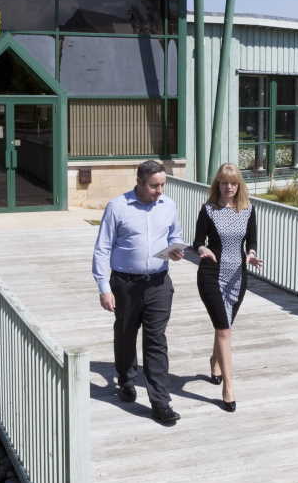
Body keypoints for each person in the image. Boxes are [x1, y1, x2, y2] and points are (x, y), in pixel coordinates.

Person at [91, 160, 186, 427]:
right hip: (125, 284)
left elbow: (174, 236)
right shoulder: (117, 207)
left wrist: (175, 250)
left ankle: (160, 402)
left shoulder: (168, 205)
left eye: (163, 185)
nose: (160, 191)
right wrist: (103, 288)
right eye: (155, 186)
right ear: (140, 183)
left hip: (158, 284)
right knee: (125, 333)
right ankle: (126, 379)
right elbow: (102, 249)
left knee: (156, 340)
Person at [192, 163, 262, 413]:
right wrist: (202, 249)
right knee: (224, 329)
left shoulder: (248, 209)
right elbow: (197, 241)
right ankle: (229, 388)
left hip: (237, 276)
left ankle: (215, 361)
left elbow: (251, 239)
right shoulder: (208, 209)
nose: (229, 187)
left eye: (233, 183)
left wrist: (251, 253)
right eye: (224, 182)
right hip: (211, 274)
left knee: (225, 326)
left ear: (239, 186)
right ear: (217, 185)